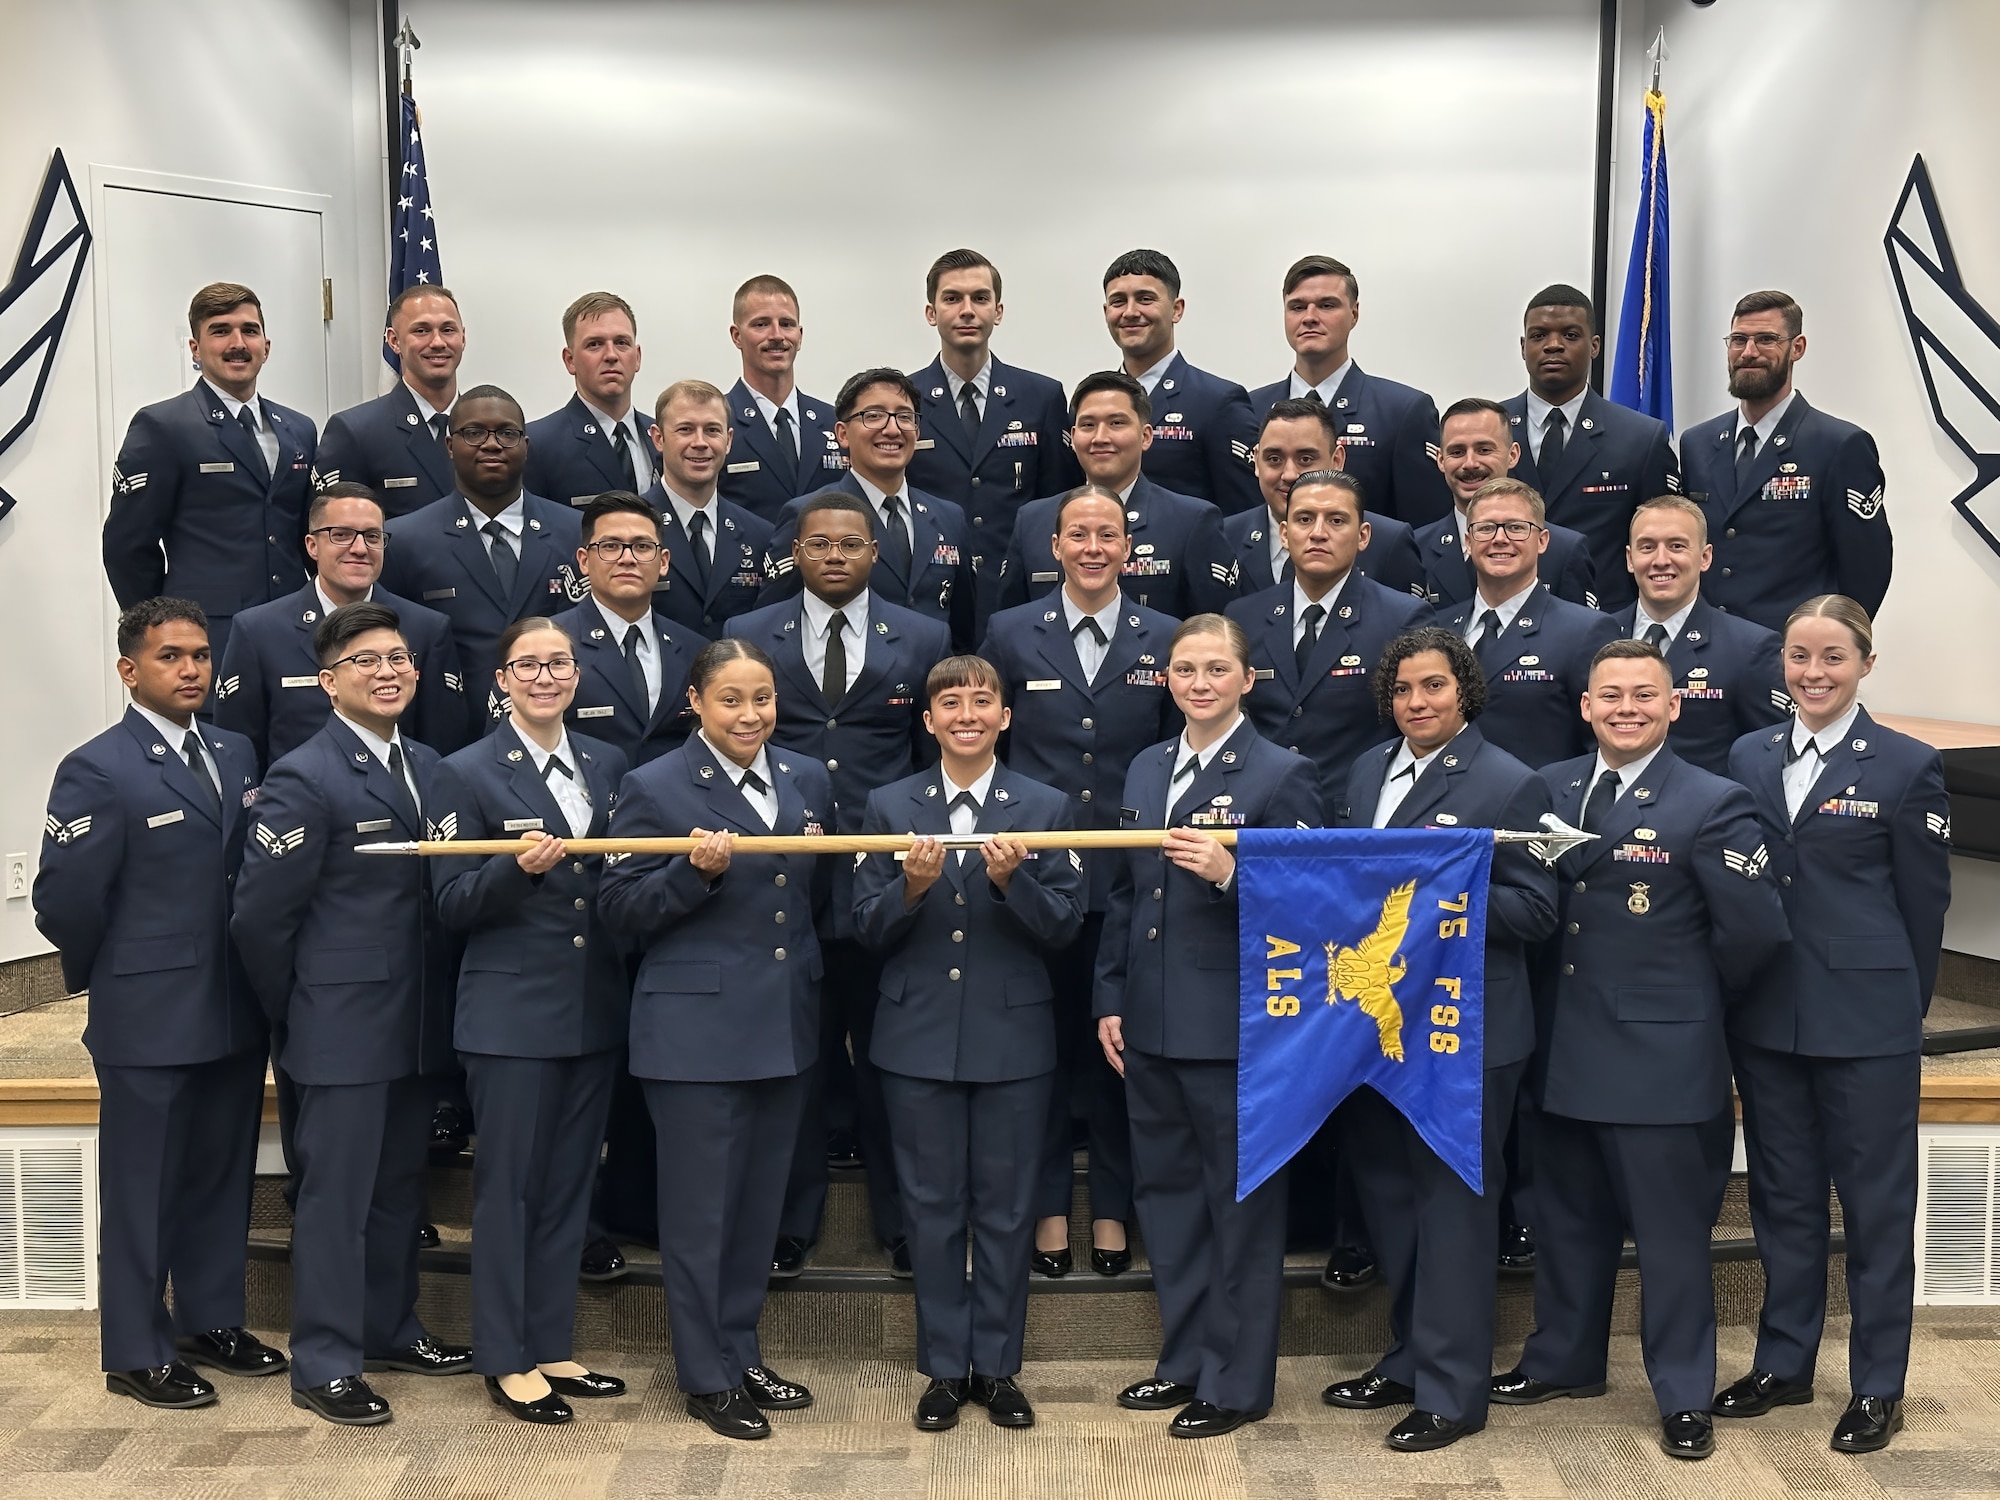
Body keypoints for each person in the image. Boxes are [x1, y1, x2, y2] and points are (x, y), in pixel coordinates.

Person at [1492, 638, 1788, 1463]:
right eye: (1609, 695)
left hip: (1662, 1057)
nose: (1626, 708)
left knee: (1669, 1240)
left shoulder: (1713, 800)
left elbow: (1754, 933)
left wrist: (1686, 1005)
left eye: (1642, 696)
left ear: (1672, 707)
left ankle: (1684, 1392)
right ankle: (1565, 1358)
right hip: (1559, 1046)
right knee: (1567, 1220)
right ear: (1584, 706)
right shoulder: (1544, 789)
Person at [1718, 596, 1950, 1455]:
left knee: (1878, 1210)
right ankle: (1784, 1362)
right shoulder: (1748, 753)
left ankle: (1878, 1385)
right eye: (1800, 658)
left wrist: (1899, 1007)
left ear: (1865, 664)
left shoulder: (1906, 764)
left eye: (1833, 659)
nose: (1813, 674)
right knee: (1783, 1200)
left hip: (1868, 1022)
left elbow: (1925, 908)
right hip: (1770, 1014)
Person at [34, 598, 279, 1410]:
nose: (191, 671)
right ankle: (135, 1348)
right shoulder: (99, 767)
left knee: (219, 1174)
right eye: (171, 657)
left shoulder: (237, 750)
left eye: (201, 656)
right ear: (129, 669)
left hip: (233, 1002)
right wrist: (121, 972)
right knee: (142, 1186)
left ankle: (208, 1319)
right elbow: (65, 900)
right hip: (148, 1009)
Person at [231, 601, 468, 1427]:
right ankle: (325, 1360)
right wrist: (295, 1014)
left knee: (400, 1189)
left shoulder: (433, 766)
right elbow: (261, 920)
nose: (390, 672)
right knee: (335, 1197)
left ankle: (390, 1326)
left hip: (415, 1022)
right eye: (367, 662)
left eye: (398, 658)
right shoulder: (305, 774)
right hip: (338, 1025)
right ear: (330, 684)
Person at [1324, 626, 1556, 1450]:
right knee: (1389, 1200)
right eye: (1403, 691)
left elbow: (1535, 912)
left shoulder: (1508, 783)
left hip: (1467, 1034)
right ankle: (1412, 1354)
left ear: (1465, 692)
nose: (1416, 703)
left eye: (1433, 687)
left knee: (1453, 1211)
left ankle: (1453, 1392)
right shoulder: (1363, 772)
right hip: (1378, 1027)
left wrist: (1432, 894)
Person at [598, 638, 831, 1441]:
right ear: (696, 703)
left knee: (758, 1211)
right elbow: (619, 912)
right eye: (731, 699)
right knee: (700, 1217)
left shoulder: (807, 777)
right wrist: (689, 876)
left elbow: (809, 904)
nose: (750, 714)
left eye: (762, 697)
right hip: (694, 1034)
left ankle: (741, 1349)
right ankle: (704, 1373)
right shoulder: (654, 785)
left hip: (784, 1026)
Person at [1097, 614, 1320, 1437]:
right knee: (1169, 1201)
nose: (1199, 682)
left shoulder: (1282, 773)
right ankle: (1185, 1359)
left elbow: (1309, 910)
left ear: (1246, 680)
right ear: (1166, 680)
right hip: (1150, 1022)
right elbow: (1126, 897)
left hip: (1235, 1029)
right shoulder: (1148, 765)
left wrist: (1234, 875)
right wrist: (1109, 998)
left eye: (1216, 669)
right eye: (1184, 669)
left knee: (1240, 1208)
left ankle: (1237, 1381)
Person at [853, 655, 1084, 1431]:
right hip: (915, 1037)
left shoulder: (1046, 806)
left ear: (1006, 717)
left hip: (1013, 1036)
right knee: (930, 1207)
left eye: (982, 701)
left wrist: (1015, 883)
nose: (966, 714)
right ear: (928, 720)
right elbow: (866, 927)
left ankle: (1000, 1367)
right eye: (949, 702)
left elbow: (1065, 928)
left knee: (1009, 1208)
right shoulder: (889, 804)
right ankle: (946, 1367)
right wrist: (910, 889)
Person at [730, 491, 953, 1275]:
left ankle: (902, 1223)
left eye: (850, 544)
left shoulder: (923, 635)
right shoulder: (748, 634)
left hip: (891, 876)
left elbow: (933, 757)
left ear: (875, 554)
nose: (833, 556)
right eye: (818, 544)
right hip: (783, 874)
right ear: (795, 551)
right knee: (797, 1057)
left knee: (892, 1054)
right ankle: (791, 1220)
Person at [431, 616, 632, 1425]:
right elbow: (450, 903)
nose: (546, 676)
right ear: (502, 679)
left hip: (593, 1007)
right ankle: (504, 1356)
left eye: (559, 663)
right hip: (511, 1014)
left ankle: (550, 1344)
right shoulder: (465, 771)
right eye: (529, 665)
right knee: (509, 1190)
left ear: (577, 675)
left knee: (566, 1189)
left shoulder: (609, 763)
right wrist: (515, 873)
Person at [979, 484, 1182, 1281]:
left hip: (1133, 883)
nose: (1093, 548)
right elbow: (987, 732)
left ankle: (1112, 1211)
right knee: (1045, 1052)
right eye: (1078, 535)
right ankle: (1049, 1209)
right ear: (1052, 547)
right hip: (1037, 878)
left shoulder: (1164, 635)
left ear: (1128, 548)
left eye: (1108, 535)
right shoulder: (1007, 631)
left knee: (1118, 1052)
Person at [102, 282, 319, 675]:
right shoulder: (164, 426)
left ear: (266, 347)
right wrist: (157, 633)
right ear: (195, 349)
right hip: (206, 640)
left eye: (249, 330)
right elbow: (127, 546)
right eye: (220, 331)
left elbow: (309, 537)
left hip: (294, 628)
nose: (238, 342)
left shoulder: (300, 429)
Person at [379, 386, 587, 737]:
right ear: (449, 446)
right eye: (473, 433)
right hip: (452, 737)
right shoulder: (404, 540)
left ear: (526, 445)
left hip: (564, 730)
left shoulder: (576, 533)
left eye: (507, 433)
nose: (492, 444)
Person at [1680, 292, 1892, 631]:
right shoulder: (1697, 443)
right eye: (1738, 340)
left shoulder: (1838, 445)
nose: (1749, 352)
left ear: (1798, 347)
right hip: (1707, 646)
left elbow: (1867, 567)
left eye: (1766, 339)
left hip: (1789, 652)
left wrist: (1828, 647)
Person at [218, 482, 467, 770]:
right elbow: (240, 752)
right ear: (312, 546)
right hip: (298, 805)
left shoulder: (426, 629)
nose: (360, 549)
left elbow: (443, 745)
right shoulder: (258, 631)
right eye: (342, 535)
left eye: (372, 536)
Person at [1226, 469, 1426, 820]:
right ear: (1285, 533)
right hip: (1261, 819)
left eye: (1336, 520)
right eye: (1305, 519)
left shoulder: (1403, 618)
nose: (1319, 533)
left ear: (1363, 536)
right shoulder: (1243, 616)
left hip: (1356, 820)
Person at [906, 249, 1079, 625]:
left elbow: (1058, 504)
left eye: (980, 298)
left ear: (998, 312)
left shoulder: (1042, 397)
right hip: (930, 599)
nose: (967, 310)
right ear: (931, 313)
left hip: (1021, 598)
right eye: (952, 298)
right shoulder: (905, 400)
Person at [759, 368, 976, 649]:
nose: (892, 429)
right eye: (873, 416)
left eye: (904, 417)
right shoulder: (808, 513)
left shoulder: (949, 517)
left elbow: (963, 630)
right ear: (842, 434)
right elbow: (772, 626)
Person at [996, 370, 1234, 618]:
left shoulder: (1191, 521)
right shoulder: (1033, 521)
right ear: (1074, 437)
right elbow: (1010, 625)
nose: (1100, 438)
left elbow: (1215, 629)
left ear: (1145, 436)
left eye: (1116, 423)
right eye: (1088, 425)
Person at [1502, 285, 1678, 610]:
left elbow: (1662, 543)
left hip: (1605, 628)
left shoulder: (1641, 438)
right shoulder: (1489, 433)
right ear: (1524, 347)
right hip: (1501, 622)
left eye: (1570, 335)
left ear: (1594, 346)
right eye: (1539, 336)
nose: (1553, 345)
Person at [1246, 255, 1451, 525]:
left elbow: (1426, 529)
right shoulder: (1250, 409)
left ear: (1354, 314)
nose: (1309, 317)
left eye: (1326, 305)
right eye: (1297, 307)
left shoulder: (1402, 412)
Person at [1432, 479, 1620, 769]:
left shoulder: (1585, 631)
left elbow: (1603, 744)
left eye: (1516, 527)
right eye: (1485, 528)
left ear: (1542, 540)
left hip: (1538, 806)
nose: (1500, 538)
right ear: (1468, 543)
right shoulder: (1438, 629)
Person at [1614, 495, 1786, 775]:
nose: (1661, 560)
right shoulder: (1596, 635)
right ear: (1630, 558)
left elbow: (1770, 757)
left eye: (1677, 546)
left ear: (1705, 557)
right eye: (1647, 547)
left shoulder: (1749, 649)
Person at [1099, 249, 1261, 514]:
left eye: (1145, 299)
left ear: (1177, 309)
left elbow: (1244, 516)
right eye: (1118, 301)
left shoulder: (1218, 402)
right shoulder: (1091, 406)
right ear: (1106, 312)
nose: (1130, 312)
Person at [550, 492, 699, 765]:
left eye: (642, 547)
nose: (627, 559)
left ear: (663, 561)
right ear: (584, 561)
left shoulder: (695, 650)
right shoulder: (548, 646)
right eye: (610, 546)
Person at [1227, 397, 1423, 600]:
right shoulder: (1226, 538)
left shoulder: (1388, 544)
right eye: (1274, 459)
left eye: (1305, 459)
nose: (1289, 474)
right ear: (1257, 461)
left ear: (1337, 460)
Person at [1417, 398, 1597, 610]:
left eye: (1484, 450)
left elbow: (1578, 632)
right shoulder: (1417, 549)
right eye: (1457, 452)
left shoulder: (1564, 551)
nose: (1470, 463)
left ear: (1513, 455)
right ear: (1440, 460)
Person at [314, 286, 468, 515]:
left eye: (447, 329)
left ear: (463, 337)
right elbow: (335, 535)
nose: (437, 342)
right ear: (394, 341)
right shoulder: (356, 432)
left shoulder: (491, 428)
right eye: (421, 330)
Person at [645, 379, 775, 640]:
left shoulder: (761, 535)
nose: (700, 442)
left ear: (728, 441)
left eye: (712, 430)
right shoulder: (631, 529)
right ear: (658, 439)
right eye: (685, 429)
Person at [718, 275, 840, 523]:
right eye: (761, 324)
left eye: (786, 324)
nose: (776, 335)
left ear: (800, 334)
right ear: (736, 336)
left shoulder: (835, 422)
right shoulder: (715, 423)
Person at [522, 292, 659, 506]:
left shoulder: (662, 437)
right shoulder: (538, 445)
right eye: (595, 344)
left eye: (621, 342)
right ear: (570, 360)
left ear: (637, 357)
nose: (611, 355)